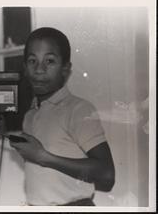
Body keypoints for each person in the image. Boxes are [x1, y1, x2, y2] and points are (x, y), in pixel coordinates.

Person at [9, 27, 115, 206]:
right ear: (25, 68)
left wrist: (44, 157)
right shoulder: (31, 113)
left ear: (66, 69)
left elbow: (106, 174)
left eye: (49, 61)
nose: (39, 69)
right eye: (32, 61)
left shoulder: (79, 109)